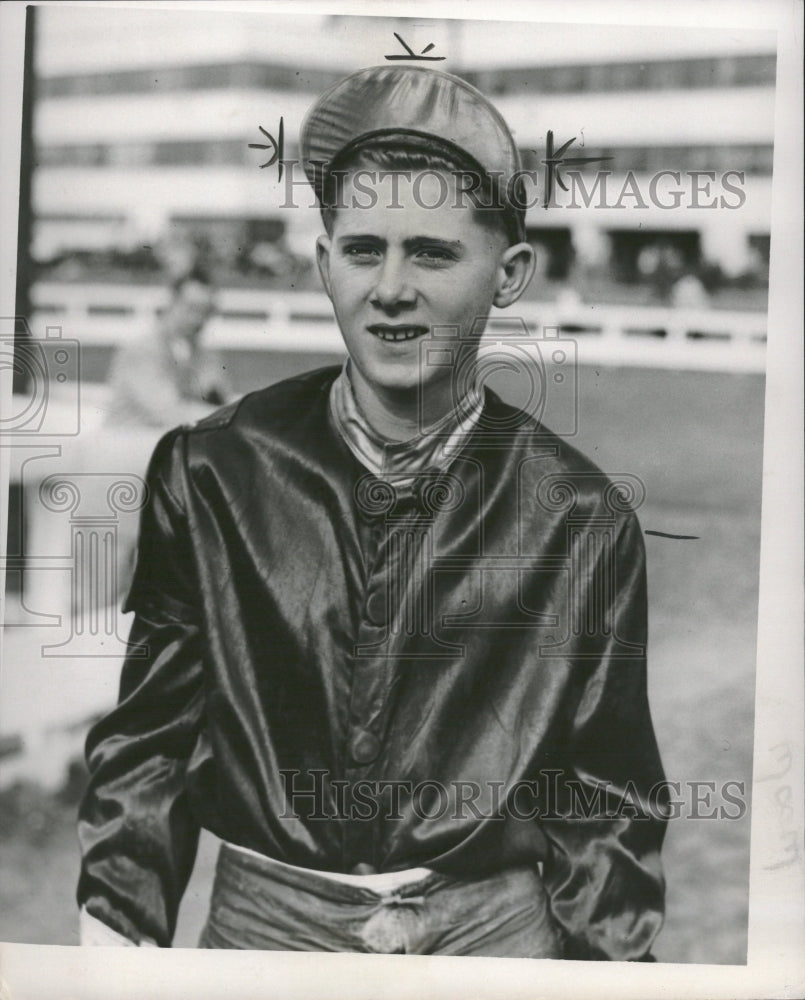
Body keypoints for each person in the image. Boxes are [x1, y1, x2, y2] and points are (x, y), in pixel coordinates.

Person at [77, 65, 668, 960]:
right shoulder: (213, 472)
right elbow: (149, 747)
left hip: (494, 934)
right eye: (362, 249)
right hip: (265, 931)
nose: (390, 287)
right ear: (323, 264)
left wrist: (609, 971)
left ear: (508, 274)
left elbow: (604, 802)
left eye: (431, 252)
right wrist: (110, 951)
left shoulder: (579, 516)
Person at [103, 265, 229, 430]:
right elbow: (169, 413)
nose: (198, 319)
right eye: (192, 308)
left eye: (206, 311)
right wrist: (228, 417)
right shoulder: (143, 349)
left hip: (167, 445)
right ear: (171, 303)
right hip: (127, 442)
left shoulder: (204, 355)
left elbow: (221, 399)